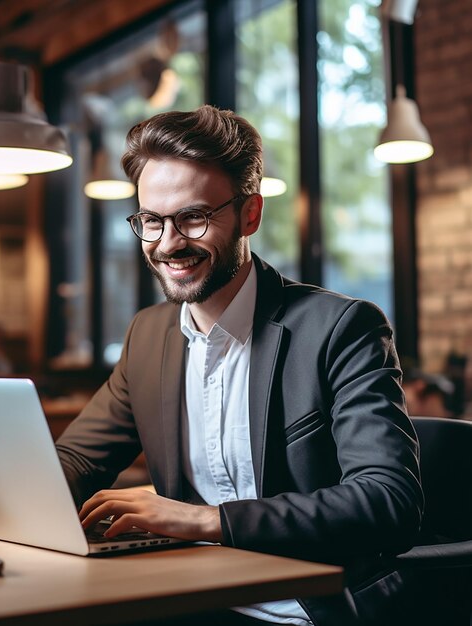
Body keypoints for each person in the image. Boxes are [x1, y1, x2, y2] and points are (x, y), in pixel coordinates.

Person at [55, 105, 423, 626]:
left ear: (250, 214)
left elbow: (388, 503)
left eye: (193, 217)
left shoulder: (341, 329)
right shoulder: (148, 335)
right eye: (151, 221)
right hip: (192, 594)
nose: (167, 244)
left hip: (306, 610)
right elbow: (77, 459)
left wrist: (207, 520)